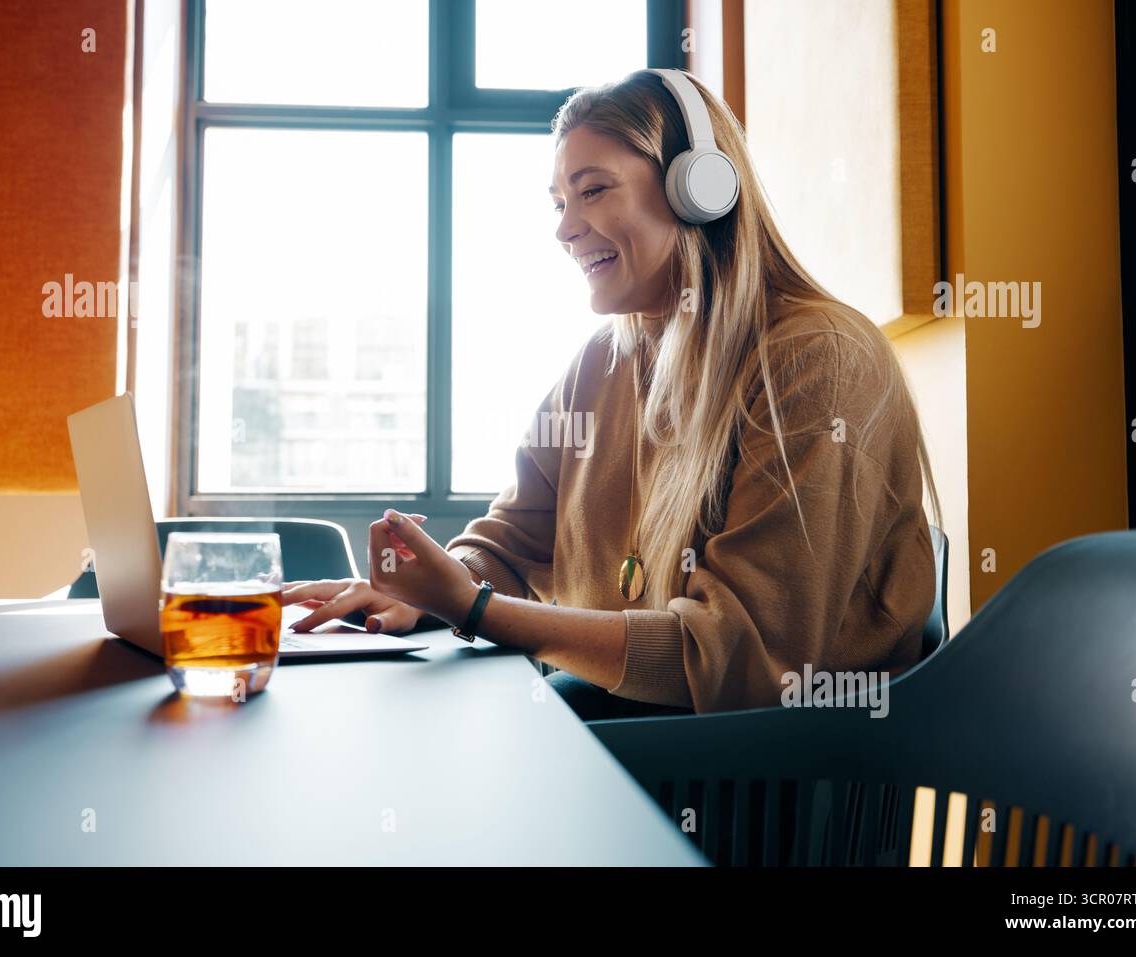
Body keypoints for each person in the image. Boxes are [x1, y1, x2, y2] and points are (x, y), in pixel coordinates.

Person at [282, 69, 941, 721]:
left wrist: (475, 608)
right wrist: (428, 590)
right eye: (559, 203)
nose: (565, 229)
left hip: (765, 786)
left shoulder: (819, 359)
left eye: (593, 191)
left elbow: (740, 659)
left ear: (699, 189)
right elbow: (513, 539)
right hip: (633, 731)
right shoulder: (604, 358)